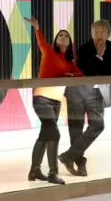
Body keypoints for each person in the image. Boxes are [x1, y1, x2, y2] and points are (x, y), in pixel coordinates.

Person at [24, 16, 83, 185]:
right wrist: (37, 28)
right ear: (56, 40)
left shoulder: (69, 61)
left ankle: (34, 170)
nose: (63, 36)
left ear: (69, 41)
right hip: (41, 98)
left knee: (46, 134)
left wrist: (70, 74)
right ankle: (52, 173)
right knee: (54, 134)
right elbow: (41, 42)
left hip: (56, 101)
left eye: (66, 35)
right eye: (60, 35)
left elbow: (79, 74)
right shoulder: (49, 51)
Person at [58, 20, 111, 177]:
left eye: (102, 32)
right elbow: (87, 71)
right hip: (77, 92)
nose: (98, 35)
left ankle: (69, 156)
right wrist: (98, 56)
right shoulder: (84, 49)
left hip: (96, 92)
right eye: (96, 32)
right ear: (91, 34)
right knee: (76, 128)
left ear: (108, 34)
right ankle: (80, 162)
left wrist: (100, 61)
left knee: (98, 125)